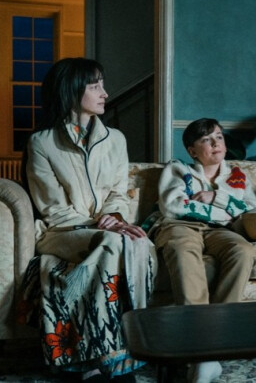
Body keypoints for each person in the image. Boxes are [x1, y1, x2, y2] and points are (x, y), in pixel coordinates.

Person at [22, 58, 157, 382]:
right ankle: (108, 357)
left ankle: (105, 356)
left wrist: (114, 216)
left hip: (104, 229)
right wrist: (100, 225)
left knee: (137, 242)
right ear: (71, 91)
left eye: (102, 85)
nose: (105, 93)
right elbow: (53, 208)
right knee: (113, 242)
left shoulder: (116, 139)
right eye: (95, 86)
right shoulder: (42, 143)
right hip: (62, 232)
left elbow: (118, 193)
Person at [151, 118, 256, 383]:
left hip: (219, 230)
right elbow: (175, 206)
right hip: (180, 225)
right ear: (192, 150)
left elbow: (251, 210)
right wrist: (228, 210)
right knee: (183, 250)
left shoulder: (237, 176)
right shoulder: (178, 170)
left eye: (219, 137)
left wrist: (216, 198)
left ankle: (213, 345)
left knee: (243, 251)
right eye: (206, 140)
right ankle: (200, 350)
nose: (215, 143)